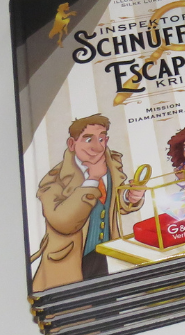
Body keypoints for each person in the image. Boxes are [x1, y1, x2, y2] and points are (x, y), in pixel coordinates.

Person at [30, 114, 145, 290]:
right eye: (88, 139)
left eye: (101, 139)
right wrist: (92, 179)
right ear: (72, 144)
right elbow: (62, 222)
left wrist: (129, 197)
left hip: (107, 256)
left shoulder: (111, 167)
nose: (97, 147)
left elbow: (114, 203)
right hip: (70, 261)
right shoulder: (54, 180)